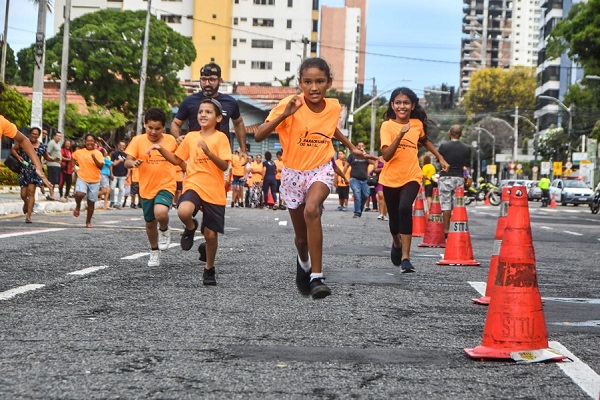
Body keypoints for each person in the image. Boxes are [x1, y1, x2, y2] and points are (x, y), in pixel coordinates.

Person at [255, 57, 375, 299]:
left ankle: (317, 277)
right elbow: (258, 135)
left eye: (319, 81)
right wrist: (284, 115)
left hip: (320, 169)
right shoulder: (290, 104)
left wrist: (351, 147)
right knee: (301, 239)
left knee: (312, 210)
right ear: (300, 82)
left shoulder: (333, 107)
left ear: (328, 83)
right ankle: (304, 262)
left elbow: (331, 128)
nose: (313, 87)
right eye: (308, 82)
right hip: (292, 173)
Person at [155, 98, 232, 286]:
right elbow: (176, 159)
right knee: (183, 211)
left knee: (211, 235)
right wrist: (159, 148)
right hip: (193, 183)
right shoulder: (190, 137)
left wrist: (209, 153)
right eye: (200, 111)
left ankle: (209, 268)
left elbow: (224, 166)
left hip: (214, 190)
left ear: (218, 118)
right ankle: (190, 227)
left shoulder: (221, 138)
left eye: (208, 112)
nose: (203, 115)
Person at [379, 87, 449, 272]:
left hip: (411, 175)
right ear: (392, 105)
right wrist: (400, 134)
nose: (402, 106)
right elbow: (386, 155)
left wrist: (440, 157)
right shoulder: (387, 126)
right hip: (390, 178)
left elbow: (425, 141)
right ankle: (396, 242)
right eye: (398, 103)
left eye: (406, 103)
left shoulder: (416, 124)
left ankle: (406, 258)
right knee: (394, 220)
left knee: (404, 209)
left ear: (413, 105)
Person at [125, 108, 178, 267]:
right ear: (144, 125)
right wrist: (133, 163)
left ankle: (164, 229)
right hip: (146, 187)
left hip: (166, 184)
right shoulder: (137, 140)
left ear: (164, 128)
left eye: (158, 129)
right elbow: (127, 160)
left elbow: (178, 158)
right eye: (150, 128)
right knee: (149, 223)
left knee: (160, 213)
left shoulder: (170, 141)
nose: (153, 132)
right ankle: (154, 250)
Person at [170, 62, 247, 161]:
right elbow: (175, 123)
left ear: (220, 81)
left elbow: (238, 123)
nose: (207, 84)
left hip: (221, 156)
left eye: (212, 80)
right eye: (203, 80)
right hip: (195, 156)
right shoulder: (189, 101)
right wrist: (177, 137)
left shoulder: (230, 102)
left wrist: (243, 149)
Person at [10, 126, 54, 223]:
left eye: (36, 134)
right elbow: (13, 149)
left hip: (35, 172)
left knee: (31, 192)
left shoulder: (42, 146)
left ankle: (28, 216)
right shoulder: (23, 143)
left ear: (39, 136)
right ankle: (26, 203)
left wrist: (54, 159)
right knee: (23, 194)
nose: (34, 135)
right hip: (24, 170)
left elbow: (47, 157)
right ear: (30, 134)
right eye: (33, 133)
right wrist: (18, 156)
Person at [438, 125, 471, 237]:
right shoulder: (466, 148)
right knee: (457, 204)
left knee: (446, 203)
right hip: (459, 177)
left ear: (449, 133)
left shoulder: (443, 146)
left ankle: (446, 229)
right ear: (461, 134)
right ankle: (456, 227)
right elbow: (466, 164)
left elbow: (440, 160)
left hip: (445, 176)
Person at [72, 134, 104, 228]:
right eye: (88, 141)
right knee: (80, 194)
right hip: (82, 178)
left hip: (95, 180)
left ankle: (88, 221)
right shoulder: (80, 152)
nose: (90, 142)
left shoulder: (98, 153)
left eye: (92, 141)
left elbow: (101, 166)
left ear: (95, 142)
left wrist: (94, 158)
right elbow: (72, 158)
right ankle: (78, 206)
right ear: (85, 142)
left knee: (91, 203)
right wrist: (74, 168)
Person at [344, 141, 371, 218]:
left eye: (362, 146)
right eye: (359, 146)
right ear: (356, 147)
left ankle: (360, 209)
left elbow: (372, 162)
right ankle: (357, 212)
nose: (360, 147)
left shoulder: (366, 154)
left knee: (365, 195)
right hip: (354, 179)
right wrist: (344, 176)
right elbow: (346, 166)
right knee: (357, 194)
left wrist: (365, 155)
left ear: (364, 147)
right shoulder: (352, 155)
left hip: (365, 180)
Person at [109, 141, 128, 209]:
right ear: (118, 146)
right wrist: (111, 173)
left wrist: (128, 174)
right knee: (112, 187)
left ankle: (118, 203)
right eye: (120, 145)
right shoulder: (114, 154)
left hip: (123, 174)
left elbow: (128, 165)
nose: (122, 147)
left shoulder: (126, 155)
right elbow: (111, 164)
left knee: (121, 189)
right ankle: (112, 201)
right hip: (115, 174)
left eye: (123, 145)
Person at [45, 131, 62, 201]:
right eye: (57, 136)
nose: (59, 137)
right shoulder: (51, 143)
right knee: (52, 180)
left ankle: (52, 195)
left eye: (60, 136)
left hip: (57, 165)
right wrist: (52, 159)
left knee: (55, 181)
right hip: (52, 164)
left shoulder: (58, 144)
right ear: (54, 136)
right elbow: (47, 153)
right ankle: (51, 195)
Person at [373, 156, 388, 221]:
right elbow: (375, 169)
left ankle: (384, 214)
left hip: (388, 180)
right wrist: (383, 168)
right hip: (379, 181)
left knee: (387, 198)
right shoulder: (378, 159)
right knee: (381, 195)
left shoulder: (390, 158)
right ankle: (381, 213)